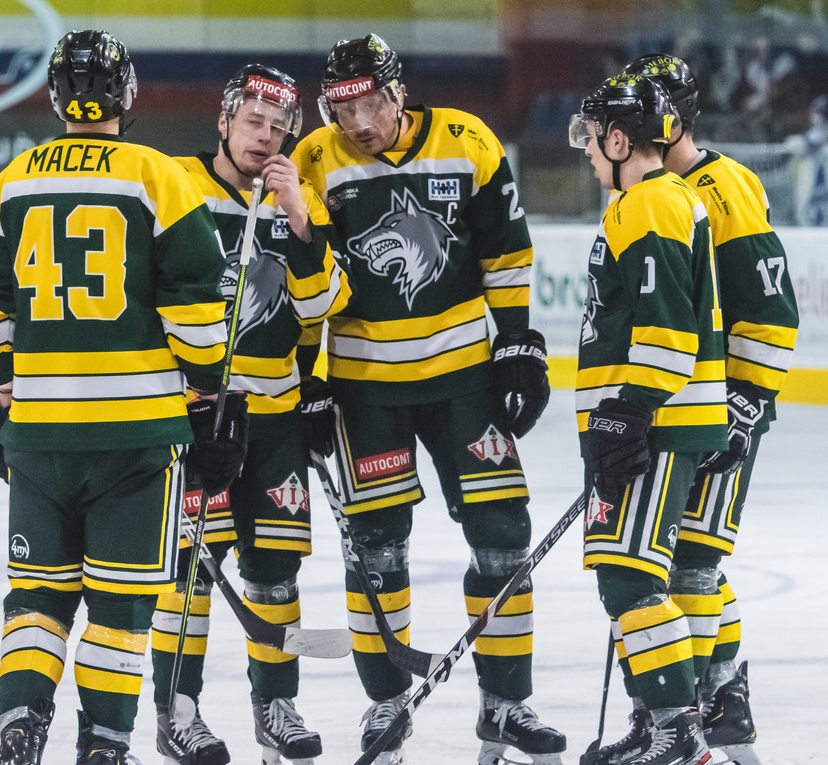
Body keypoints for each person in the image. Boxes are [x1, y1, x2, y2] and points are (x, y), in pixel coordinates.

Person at [0, 30, 247, 765]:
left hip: (40, 436)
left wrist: (8, 393)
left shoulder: (13, 181)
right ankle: (105, 747)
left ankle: (21, 729)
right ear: (128, 94)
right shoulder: (158, 175)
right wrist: (209, 394)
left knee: (37, 599)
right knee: (120, 606)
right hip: (135, 438)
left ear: (56, 97)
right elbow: (196, 313)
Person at [291, 33, 562, 765]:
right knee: (377, 548)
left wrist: (516, 341)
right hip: (366, 391)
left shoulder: (467, 141)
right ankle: (387, 703)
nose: (358, 124)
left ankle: (506, 703)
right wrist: (306, 377)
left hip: (465, 382)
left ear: (398, 92)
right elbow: (303, 275)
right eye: (342, 109)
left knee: (503, 535)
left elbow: (505, 249)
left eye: (370, 105)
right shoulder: (313, 159)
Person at [149, 63, 351, 765]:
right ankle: (177, 712)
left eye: (278, 128)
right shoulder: (176, 185)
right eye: (253, 122)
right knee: (190, 571)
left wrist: (299, 219)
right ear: (224, 122)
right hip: (197, 415)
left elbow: (324, 304)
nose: (265, 137)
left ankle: (276, 706)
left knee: (274, 570)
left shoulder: (301, 199)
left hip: (273, 418)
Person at [624, 53, 800, 764]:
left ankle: (694, 718)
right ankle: (714, 706)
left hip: (719, 412)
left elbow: (771, 306)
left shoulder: (722, 185)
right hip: (676, 414)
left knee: (690, 565)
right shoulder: (651, 190)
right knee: (667, 565)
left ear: (670, 118)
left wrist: (747, 404)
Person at [569, 73, 726, 765]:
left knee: (629, 578)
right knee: (632, 574)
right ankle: (651, 724)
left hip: (659, 423)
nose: (586, 151)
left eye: (592, 137)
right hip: (662, 420)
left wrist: (630, 410)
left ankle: (677, 731)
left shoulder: (651, 202)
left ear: (618, 139)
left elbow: (668, 329)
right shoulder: (658, 200)